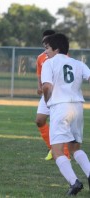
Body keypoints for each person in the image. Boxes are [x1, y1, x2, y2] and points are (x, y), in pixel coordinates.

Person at [41, 33, 90, 196]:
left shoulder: (49, 63)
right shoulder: (77, 63)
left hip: (60, 108)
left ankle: (74, 182)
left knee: (57, 151)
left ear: (56, 48)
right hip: (77, 107)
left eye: (47, 48)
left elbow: (47, 86)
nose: (45, 51)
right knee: (75, 148)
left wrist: (48, 101)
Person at [35, 30, 70, 160]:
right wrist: (40, 86)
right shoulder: (41, 58)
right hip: (47, 93)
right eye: (45, 44)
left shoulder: (63, 56)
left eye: (48, 44)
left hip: (60, 95)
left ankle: (65, 154)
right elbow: (39, 74)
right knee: (39, 121)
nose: (46, 47)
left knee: (60, 124)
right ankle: (52, 148)